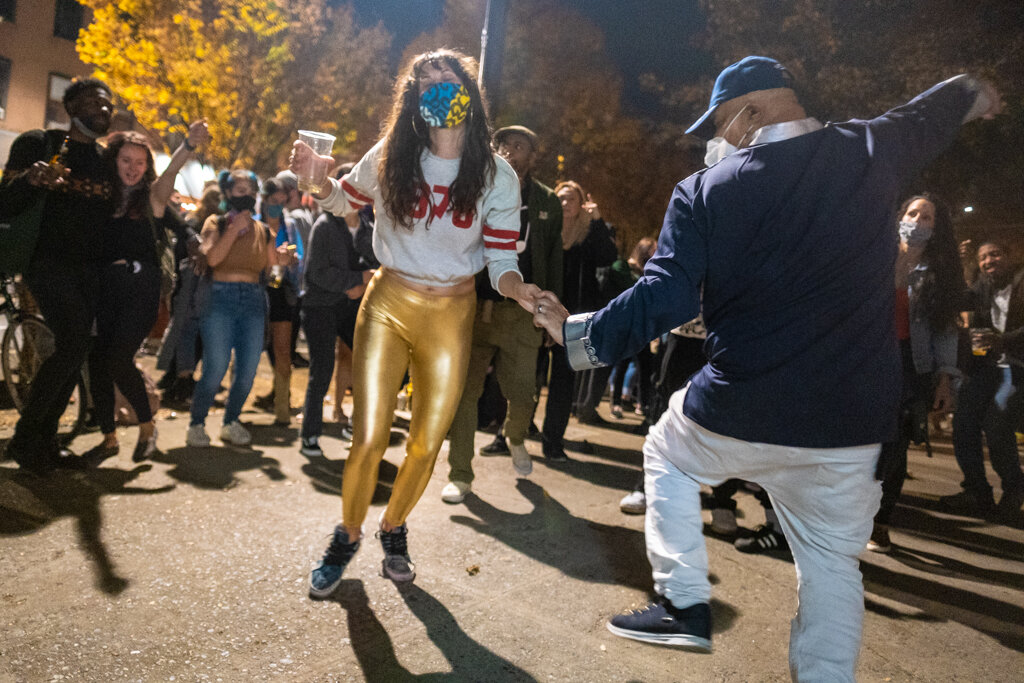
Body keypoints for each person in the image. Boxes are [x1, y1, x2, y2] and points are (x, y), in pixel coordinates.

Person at [532, 56, 1000, 680]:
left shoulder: (702, 191)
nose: (713, 142)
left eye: (720, 125)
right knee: (832, 567)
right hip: (851, 424)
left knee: (666, 454)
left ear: (753, 111)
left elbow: (664, 297)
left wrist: (577, 333)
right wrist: (973, 93)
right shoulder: (867, 146)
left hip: (742, 405)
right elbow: (928, 113)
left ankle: (683, 604)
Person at [291, 49, 539, 596]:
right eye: (425, 82)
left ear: (469, 93)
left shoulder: (497, 175)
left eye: (448, 80)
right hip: (387, 302)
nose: (438, 89)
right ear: (411, 99)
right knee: (369, 436)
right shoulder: (391, 154)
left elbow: (501, 260)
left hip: (452, 312)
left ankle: (394, 527)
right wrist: (316, 182)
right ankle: (348, 534)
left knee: (427, 444)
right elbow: (343, 201)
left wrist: (520, 289)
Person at [0, 78, 116, 475]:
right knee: (72, 344)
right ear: (70, 109)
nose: (103, 108)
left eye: (107, 103)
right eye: (92, 101)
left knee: (76, 350)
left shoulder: (106, 159)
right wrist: (29, 180)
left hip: (89, 270)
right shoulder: (39, 144)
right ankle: (25, 439)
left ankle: (45, 442)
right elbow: (4, 203)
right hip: (46, 263)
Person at [442, 124, 562, 503]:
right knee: (465, 393)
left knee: (524, 391)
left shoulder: (546, 201)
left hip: (522, 310)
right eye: (503, 143)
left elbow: (553, 258)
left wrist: (551, 315)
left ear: (533, 155)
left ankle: (515, 436)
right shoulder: (474, 186)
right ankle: (460, 473)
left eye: (520, 144)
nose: (510, 149)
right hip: (474, 306)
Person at [83, 122, 209, 463]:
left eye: (139, 162)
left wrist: (188, 146)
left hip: (140, 287)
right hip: (104, 286)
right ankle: (108, 437)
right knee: (97, 360)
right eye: (126, 160)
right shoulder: (100, 196)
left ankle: (147, 428)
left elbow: (169, 175)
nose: (132, 168)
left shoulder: (151, 198)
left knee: (119, 359)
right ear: (115, 160)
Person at [868, 194, 961, 552]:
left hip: (911, 366)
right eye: (913, 213)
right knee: (857, 440)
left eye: (927, 217)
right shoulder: (877, 255)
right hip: (867, 358)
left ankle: (880, 521)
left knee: (894, 445)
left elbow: (945, 331)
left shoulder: (941, 273)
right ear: (900, 217)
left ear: (936, 229)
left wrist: (944, 379)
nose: (918, 220)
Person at [185, 170, 296, 448]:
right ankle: (196, 424)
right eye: (239, 190)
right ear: (228, 193)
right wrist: (234, 229)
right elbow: (212, 258)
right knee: (216, 366)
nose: (245, 195)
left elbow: (272, 262)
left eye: (250, 190)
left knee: (247, 370)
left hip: (254, 300)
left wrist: (284, 256)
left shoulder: (261, 230)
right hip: (220, 298)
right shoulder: (217, 222)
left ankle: (230, 421)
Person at [944, 239, 1024, 522]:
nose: (989, 261)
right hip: (986, 368)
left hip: (1016, 367)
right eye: (983, 258)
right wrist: (959, 263)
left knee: (997, 424)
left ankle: (1015, 490)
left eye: (995, 254)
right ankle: (976, 490)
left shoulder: (1020, 280)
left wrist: (1002, 340)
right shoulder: (983, 286)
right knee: (963, 423)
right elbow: (961, 298)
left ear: (1009, 255)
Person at [298, 165, 374, 457]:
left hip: (350, 307)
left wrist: (363, 281)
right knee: (322, 369)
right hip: (320, 307)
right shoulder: (326, 226)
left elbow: (380, 262)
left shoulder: (368, 229)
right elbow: (316, 273)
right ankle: (310, 434)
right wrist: (354, 282)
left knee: (369, 362)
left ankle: (356, 425)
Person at [540, 180, 617, 461]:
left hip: (572, 318)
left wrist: (597, 221)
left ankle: (553, 443)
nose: (564, 203)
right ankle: (512, 434)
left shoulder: (588, 233)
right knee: (528, 378)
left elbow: (608, 256)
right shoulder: (546, 229)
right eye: (560, 198)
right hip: (539, 311)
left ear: (581, 202)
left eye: (571, 198)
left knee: (562, 382)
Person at [259, 176, 304, 425]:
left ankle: (282, 409)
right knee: (251, 346)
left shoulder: (290, 226)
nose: (276, 206)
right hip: (257, 291)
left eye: (281, 202)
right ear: (264, 200)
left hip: (282, 292)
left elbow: (300, 257)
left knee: (283, 349)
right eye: (272, 201)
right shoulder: (255, 225)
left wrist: (292, 258)